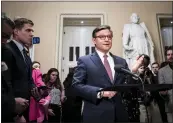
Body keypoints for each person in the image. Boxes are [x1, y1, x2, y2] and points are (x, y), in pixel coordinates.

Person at [72, 25, 145, 123]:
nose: (107, 39)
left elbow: (127, 87)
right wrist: (100, 93)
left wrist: (134, 70)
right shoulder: (85, 60)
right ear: (94, 40)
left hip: (120, 114)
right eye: (102, 37)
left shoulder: (121, 61)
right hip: (96, 115)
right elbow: (76, 85)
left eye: (109, 37)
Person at [1, 17, 40, 122]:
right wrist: (14, 113)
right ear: (16, 32)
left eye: (32, 31)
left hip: (23, 107)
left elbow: (27, 78)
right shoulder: (7, 50)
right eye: (28, 30)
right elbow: (5, 83)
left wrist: (34, 89)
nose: (31, 34)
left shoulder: (26, 54)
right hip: (9, 110)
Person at [158, 46, 173, 123]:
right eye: (168, 54)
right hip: (170, 106)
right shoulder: (161, 71)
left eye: (172, 54)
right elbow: (162, 89)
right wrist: (163, 93)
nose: (170, 56)